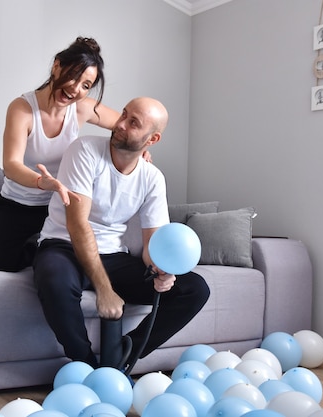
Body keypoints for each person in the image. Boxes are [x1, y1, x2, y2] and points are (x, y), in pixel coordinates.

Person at [33, 97, 210, 370]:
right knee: (54, 279)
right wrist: (105, 289)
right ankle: (86, 366)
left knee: (194, 289)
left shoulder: (152, 178)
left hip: (113, 256)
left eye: (133, 122)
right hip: (64, 246)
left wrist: (162, 271)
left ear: (152, 139)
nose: (120, 124)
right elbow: (77, 225)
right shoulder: (84, 150)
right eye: (124, 115)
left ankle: (123, 356)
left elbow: (153, 241)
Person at [0, 37, 120, 272]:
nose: (75, 88)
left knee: (60, 270)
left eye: (86, 85)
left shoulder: (82, 108)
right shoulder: (22, 108)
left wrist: (140, 151)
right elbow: (11, 165)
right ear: (57, 66)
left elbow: (127, 127)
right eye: (73, 75)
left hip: (58, 209)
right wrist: (42, 182)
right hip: (18, 205)